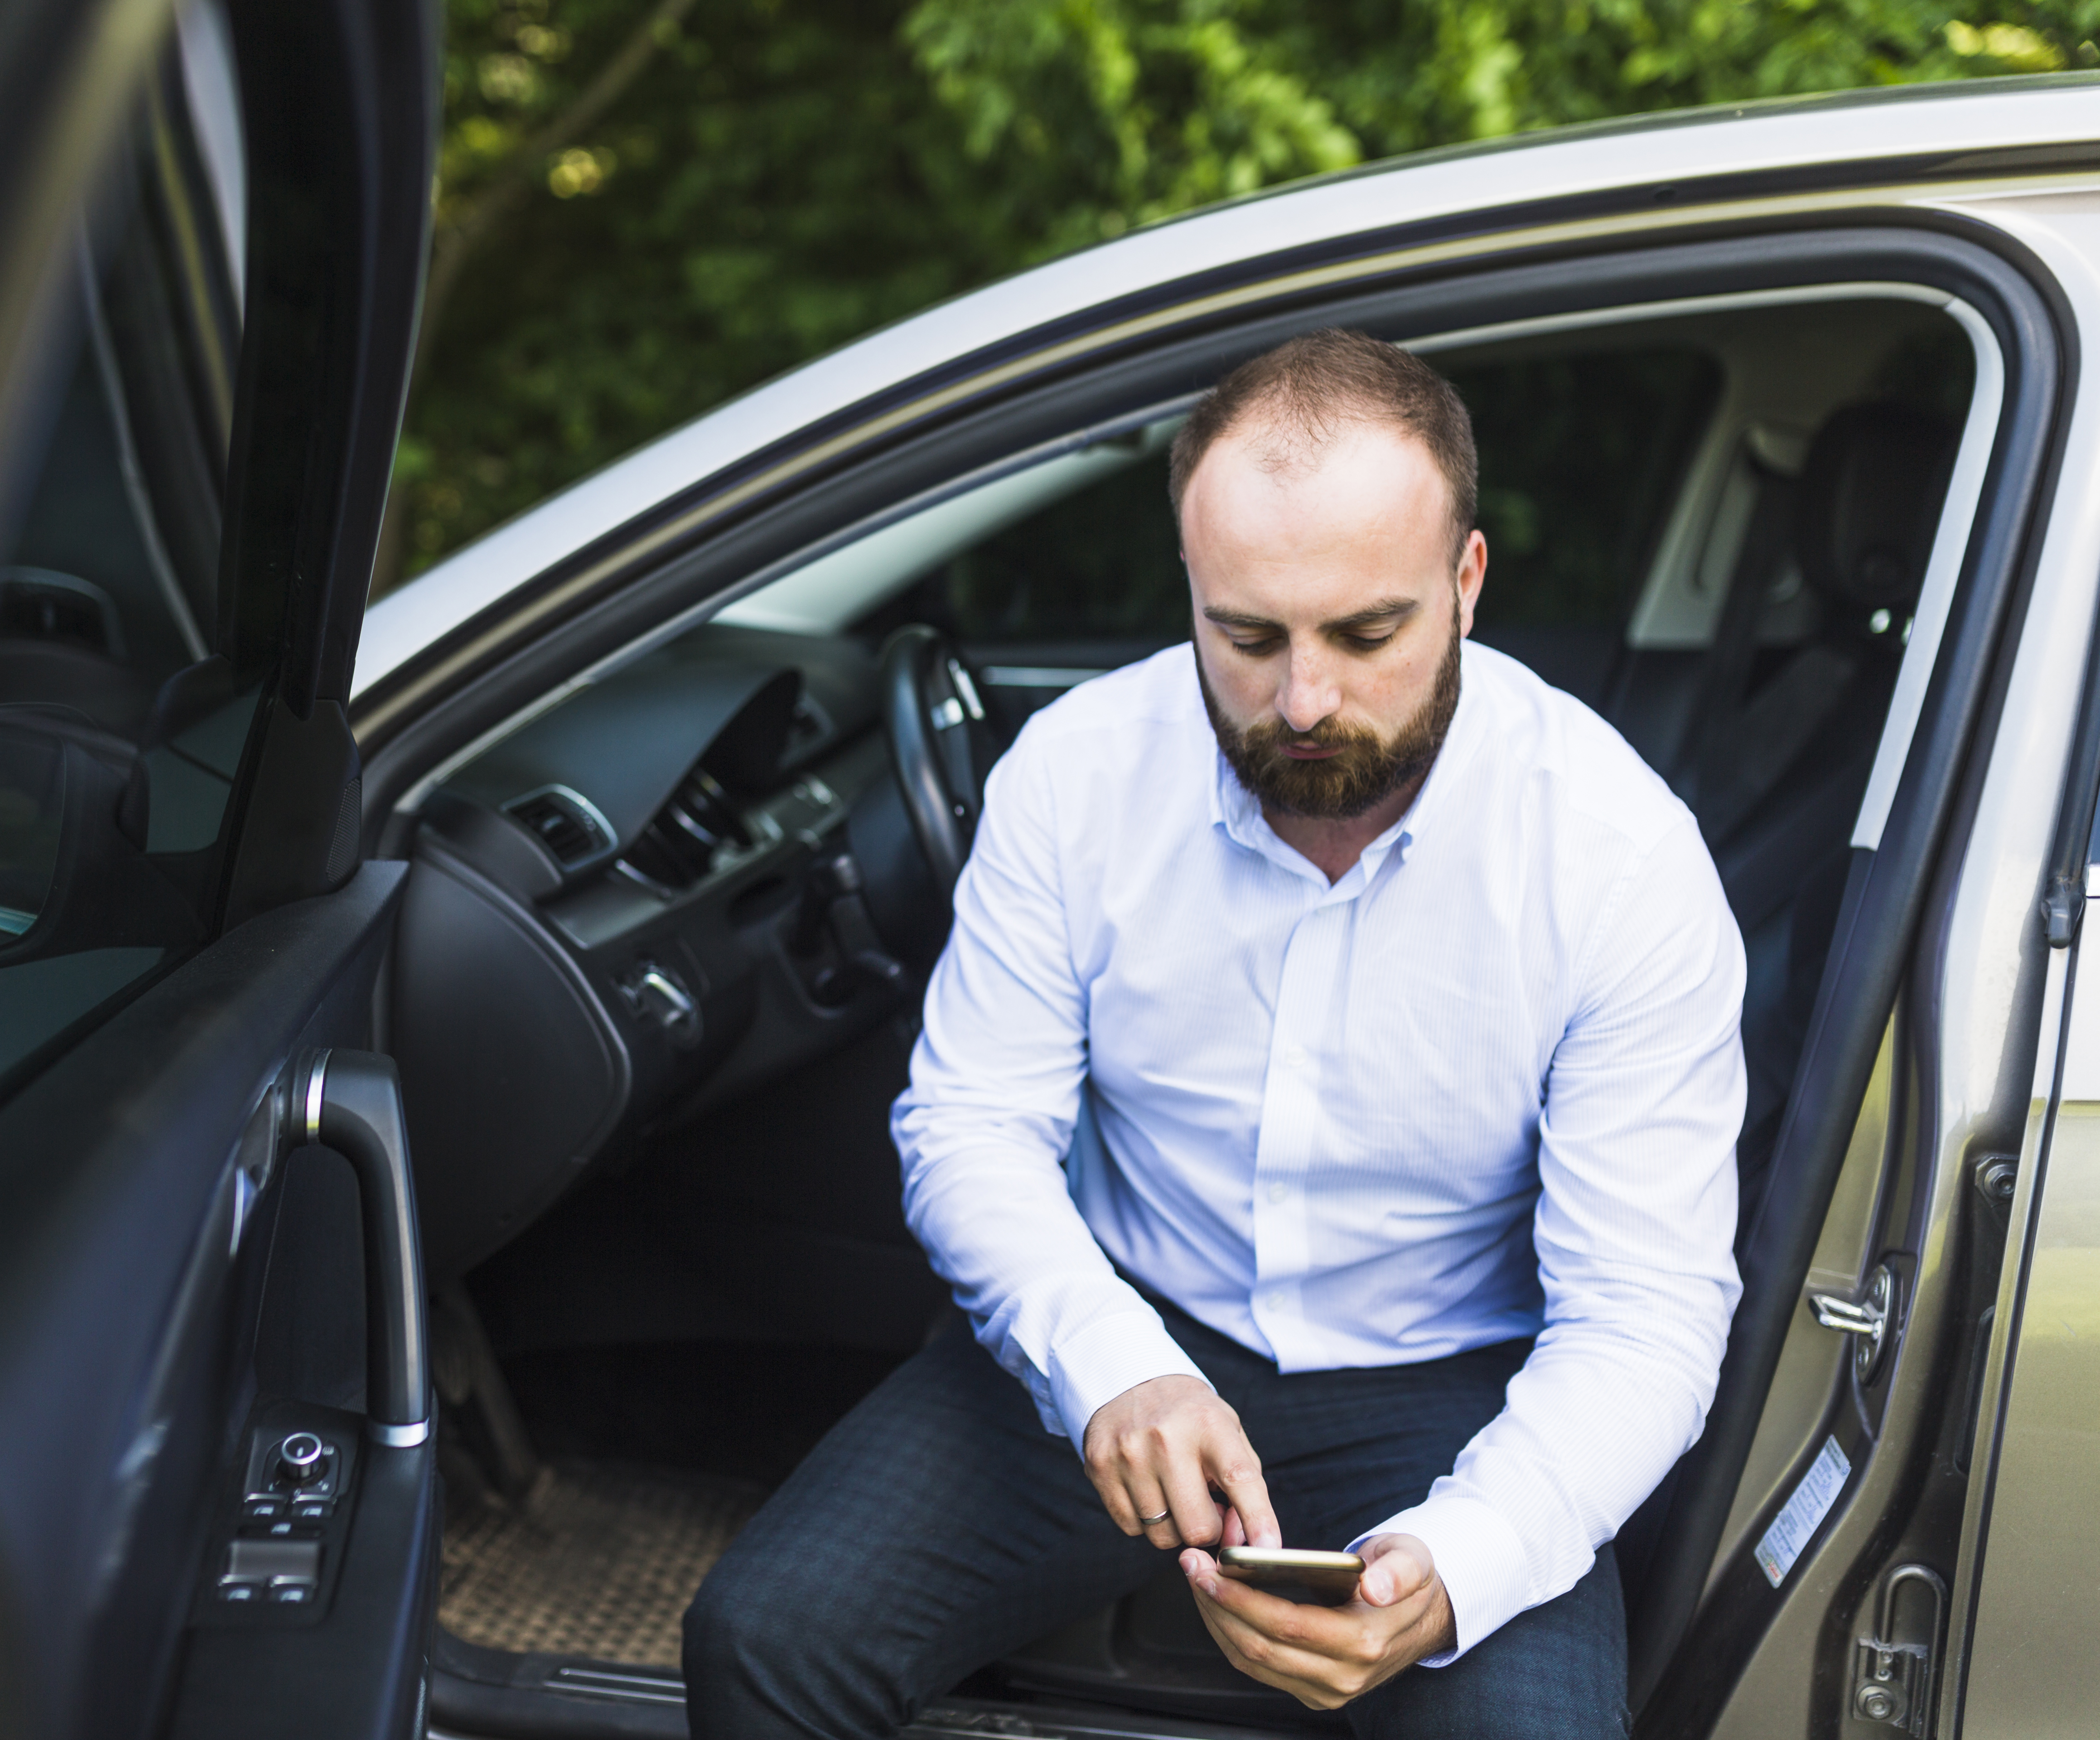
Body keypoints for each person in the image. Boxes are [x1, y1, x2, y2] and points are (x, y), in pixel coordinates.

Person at [683, 328, 1746, 1740]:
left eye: (1370, 633)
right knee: (766, 1642)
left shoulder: (1619, 856)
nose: (1304, 702)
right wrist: (1109, 1362)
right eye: (1247, 637)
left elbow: (1649, 1313)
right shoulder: (1074, 775)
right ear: (1191, 587)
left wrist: (1467, 1561)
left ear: (1468, 583)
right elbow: (971, 1126)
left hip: (1448, 1385)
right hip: (1126, 1329)